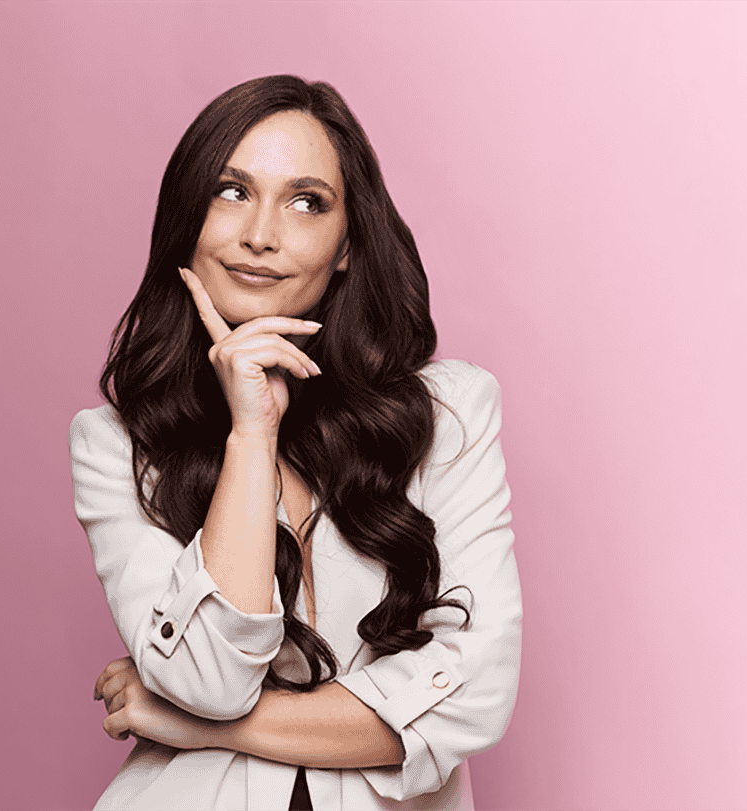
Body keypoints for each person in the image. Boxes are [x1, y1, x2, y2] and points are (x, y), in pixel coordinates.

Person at [69, 75, 522, 811]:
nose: (261, 234)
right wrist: (252, 431)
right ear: (187, 218)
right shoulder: (116, 446)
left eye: (306, 201)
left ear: (347, 247)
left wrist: (204, 726)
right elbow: (206, 678)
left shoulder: (451, 414)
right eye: (231, 191)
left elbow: (475, 692)